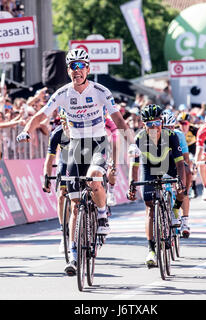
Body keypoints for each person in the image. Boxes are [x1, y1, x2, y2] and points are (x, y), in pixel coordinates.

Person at [16, 48, 137, 276]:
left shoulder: (101, 91)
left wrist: (131, 142)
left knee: (93, 178)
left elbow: (118, 119)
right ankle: (73, 255)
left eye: (81, 66)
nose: (77, 70)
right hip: (75, 148)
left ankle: (101, 214)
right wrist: (26, 129)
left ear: (88, 69)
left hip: (98, 143)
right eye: (73, 66)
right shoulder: (62, 93)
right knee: (73, 204)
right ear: (68, 70)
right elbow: (42, 115)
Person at [127, 104, 187, 268]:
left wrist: (181, 182)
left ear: (162, 122)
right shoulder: (139, 139)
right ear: (143, 125)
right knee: (149, 207)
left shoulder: (172, 135)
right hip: (150, 168)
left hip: (170, 165)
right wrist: (131, 185)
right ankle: (151, 250)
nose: (154, 128)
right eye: (149, 124)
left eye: (157, 123)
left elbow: (180, 164)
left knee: (183, 189)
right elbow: (135, 165)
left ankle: (175, 210)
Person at [42, 110, 70, 253]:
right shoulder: (57, 133)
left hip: (83, 158)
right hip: (65, 160)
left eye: (69, 121)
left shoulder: (82, 130)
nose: (66, 125)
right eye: (64, 122)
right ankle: (64, 233)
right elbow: (50, 159)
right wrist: (46, 178)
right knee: (61, 195)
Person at [161, 110, 192, 238]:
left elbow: (185, 157)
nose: (169, 130)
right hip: (161, 164)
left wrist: (183, 174)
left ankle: (184, 220)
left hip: (176, 162)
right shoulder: (155, 135)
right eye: (166, 128)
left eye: (172, 127)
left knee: (187, 173)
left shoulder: (179, 135)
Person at [177, 111, 200, 198]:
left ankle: (193, 187)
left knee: (192, 165)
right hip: (181, 149)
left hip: (191, 147)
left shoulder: (194, 130)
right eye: (181, 123)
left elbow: (201, 142)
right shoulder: (176, 129)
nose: (183, 126)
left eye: (185, 123)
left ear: (189, 123)